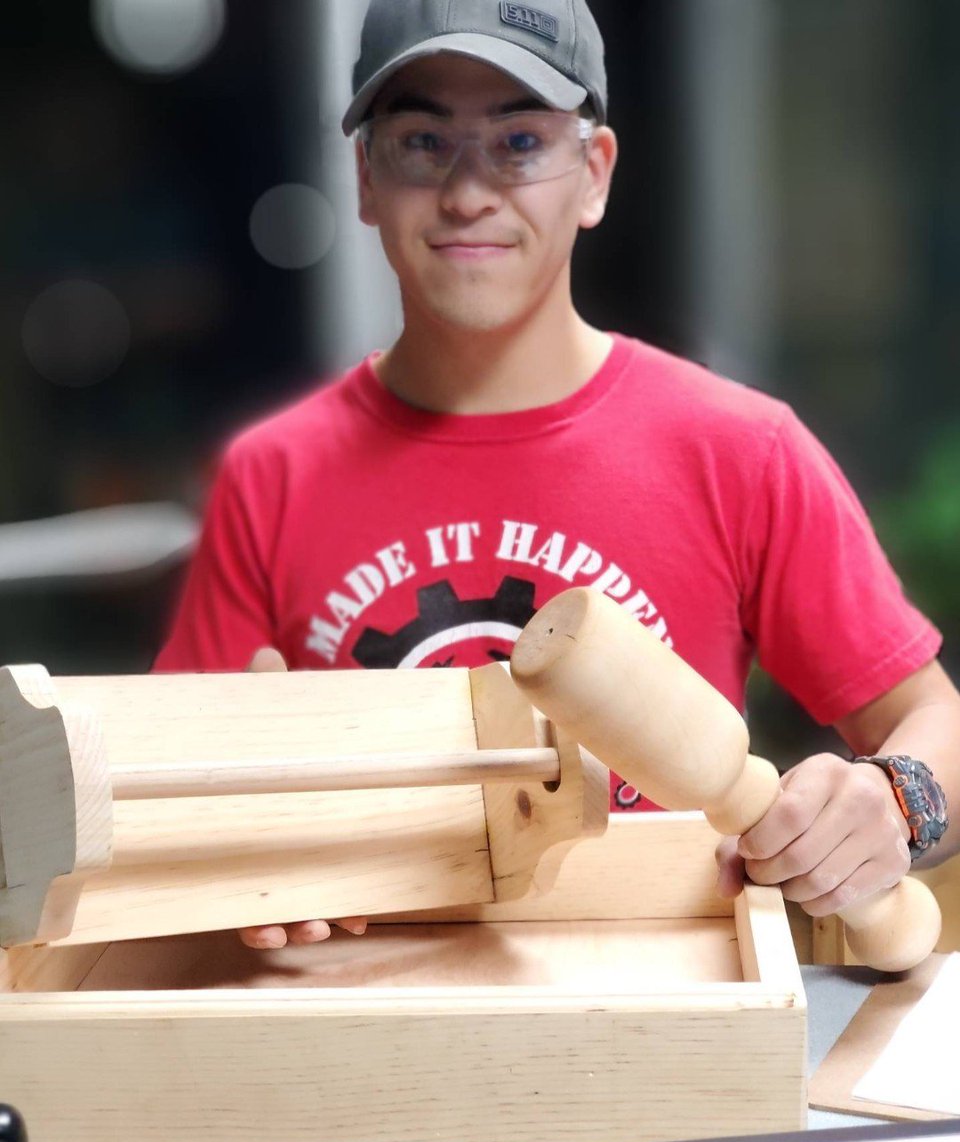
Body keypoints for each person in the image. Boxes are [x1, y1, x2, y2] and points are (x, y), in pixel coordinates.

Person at [156, 0, 959, 950]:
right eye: (422, 142)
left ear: (595, 174)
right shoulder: (272, 474)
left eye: (521, 140)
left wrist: (893, 802)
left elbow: (930, 714)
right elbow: (177, 787)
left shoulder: (739, 450)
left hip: (669, 1021)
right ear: (366, 178)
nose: (468, 194)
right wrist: (243, 853)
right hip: (360, 1028)